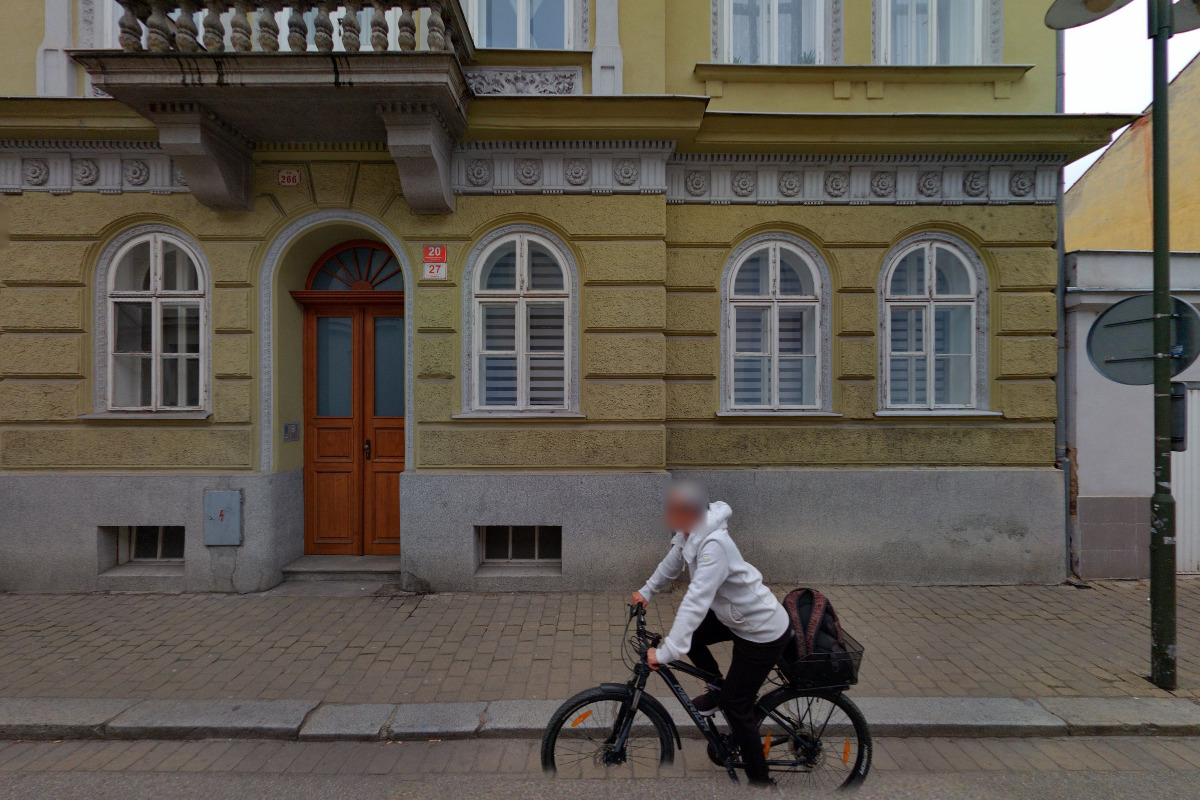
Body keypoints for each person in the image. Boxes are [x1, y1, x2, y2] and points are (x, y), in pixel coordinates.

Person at [632, 480, 792, 787]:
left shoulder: (714, 545)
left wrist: (667, 652)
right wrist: (647, 590)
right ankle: (717, 691)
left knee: (738, 705)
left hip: (761, 630)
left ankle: (762, 784)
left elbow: (696, 601)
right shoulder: (691, 532)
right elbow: (673, 562)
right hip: (737, 617)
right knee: (696, 638)